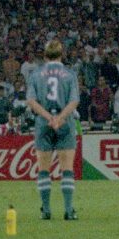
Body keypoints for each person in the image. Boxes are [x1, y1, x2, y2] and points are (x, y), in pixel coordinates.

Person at [27, 40, 81, 221]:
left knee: (43, 169)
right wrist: (60, 118)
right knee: (67, 169)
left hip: (44, 123)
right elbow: (74, 101)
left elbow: (32, 102)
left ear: (44, 55)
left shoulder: (35, 74)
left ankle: (46, 210)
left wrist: (49, 118)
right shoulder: (69, 74)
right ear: (61, 55)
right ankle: (68, 209)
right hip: (65, 123)